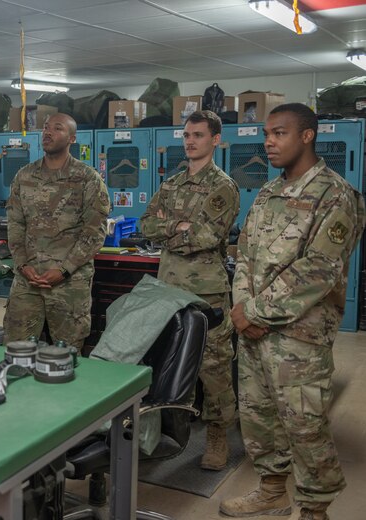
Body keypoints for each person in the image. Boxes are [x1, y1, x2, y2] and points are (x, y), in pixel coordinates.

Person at [220, 103, 365, 520]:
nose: (268, 141)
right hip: (253, 330)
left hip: (299, 337)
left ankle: (314, 509)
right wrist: (241, 308)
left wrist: (255, 313)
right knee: (259, 417)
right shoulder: (267, 193)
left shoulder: (336, 195)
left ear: (307, 136)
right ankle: (271, 491)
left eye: (279, 133)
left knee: (305, 426)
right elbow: (243, 254)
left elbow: (318, 270)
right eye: (267, 133)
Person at [140, 110, 240, 471]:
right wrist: (179, 228)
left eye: (198, 135)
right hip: (168, 287)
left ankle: (217, 435)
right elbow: (146, 225)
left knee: (212, 365)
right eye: (186, 135)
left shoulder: (223, 187)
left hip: (206, 291)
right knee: (169, 359)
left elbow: (209, 236)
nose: (190, 141)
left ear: (215, 140)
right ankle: (172, 427)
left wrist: (174, 229)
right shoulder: (171, 184)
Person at [3, 113, 110, 351]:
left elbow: (94, 232)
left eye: (57, 128)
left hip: (68, 284)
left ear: (72, 138)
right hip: (27, 280)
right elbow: (16, 225)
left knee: (67, 354)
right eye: (45, 127)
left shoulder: (87, 178)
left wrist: (64, 270)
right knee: (14, 350)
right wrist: (22, 265)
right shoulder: (24, 176)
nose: (48, 132)